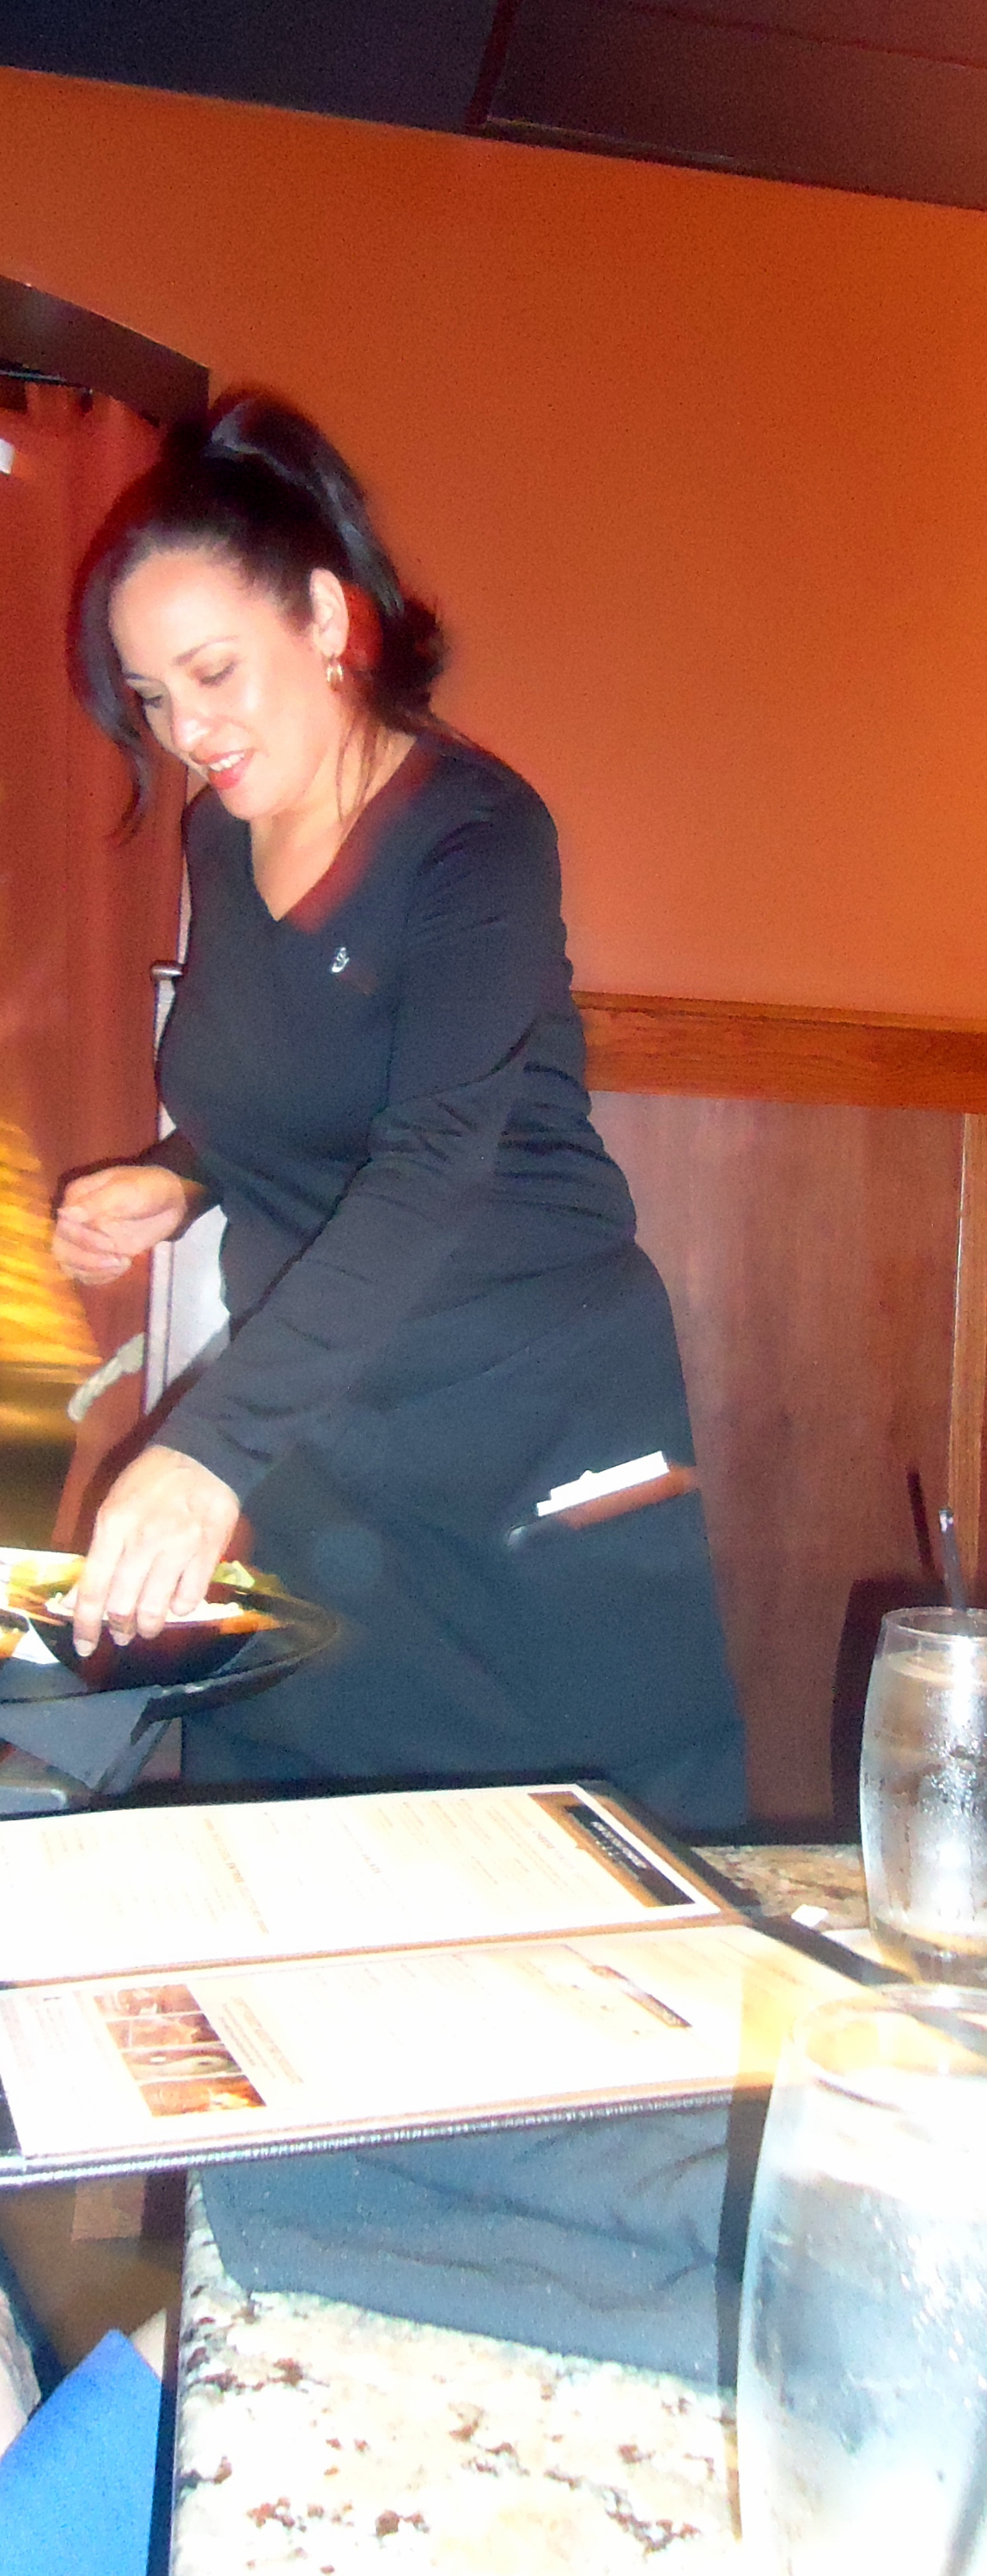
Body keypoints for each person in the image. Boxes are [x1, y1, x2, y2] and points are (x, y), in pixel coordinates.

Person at [52, 392, 746, 1834]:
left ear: (323, 617)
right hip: (332, 1418)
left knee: (574, 1850)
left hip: (532, 1419)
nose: (189, 730)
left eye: (213, 672)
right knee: (284, 1821)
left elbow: (431, 1157)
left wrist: (206, 1448)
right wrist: (185, 1174)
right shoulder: (223, 837)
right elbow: (296, 1083)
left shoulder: (475, 834)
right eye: (155, 697)